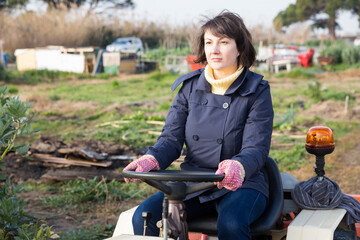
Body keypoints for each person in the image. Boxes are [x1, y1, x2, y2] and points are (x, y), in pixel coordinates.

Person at [123, 10, 274, 240]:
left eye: (223, 42)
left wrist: (238, 166)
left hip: (242, 183)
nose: (214, 49)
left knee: (232, 224)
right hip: (194, 182)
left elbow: (257, 148)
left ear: (240, 47)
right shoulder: (190, 86)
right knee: (143, 216)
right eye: (209, 42)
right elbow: (171, 139)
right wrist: (151, 159)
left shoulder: (257, 90)